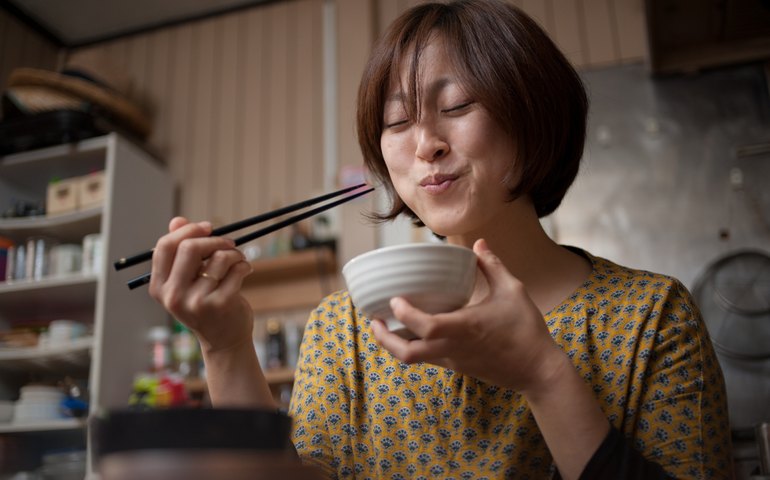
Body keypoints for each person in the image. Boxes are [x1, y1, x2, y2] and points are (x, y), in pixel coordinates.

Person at [148, 1, 733, 478]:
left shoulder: (652, 317)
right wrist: (225, 346)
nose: (425, 142)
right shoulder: (345, 329)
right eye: (398, 122)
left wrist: (543, 374)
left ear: (534, 115)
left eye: (456, 107)